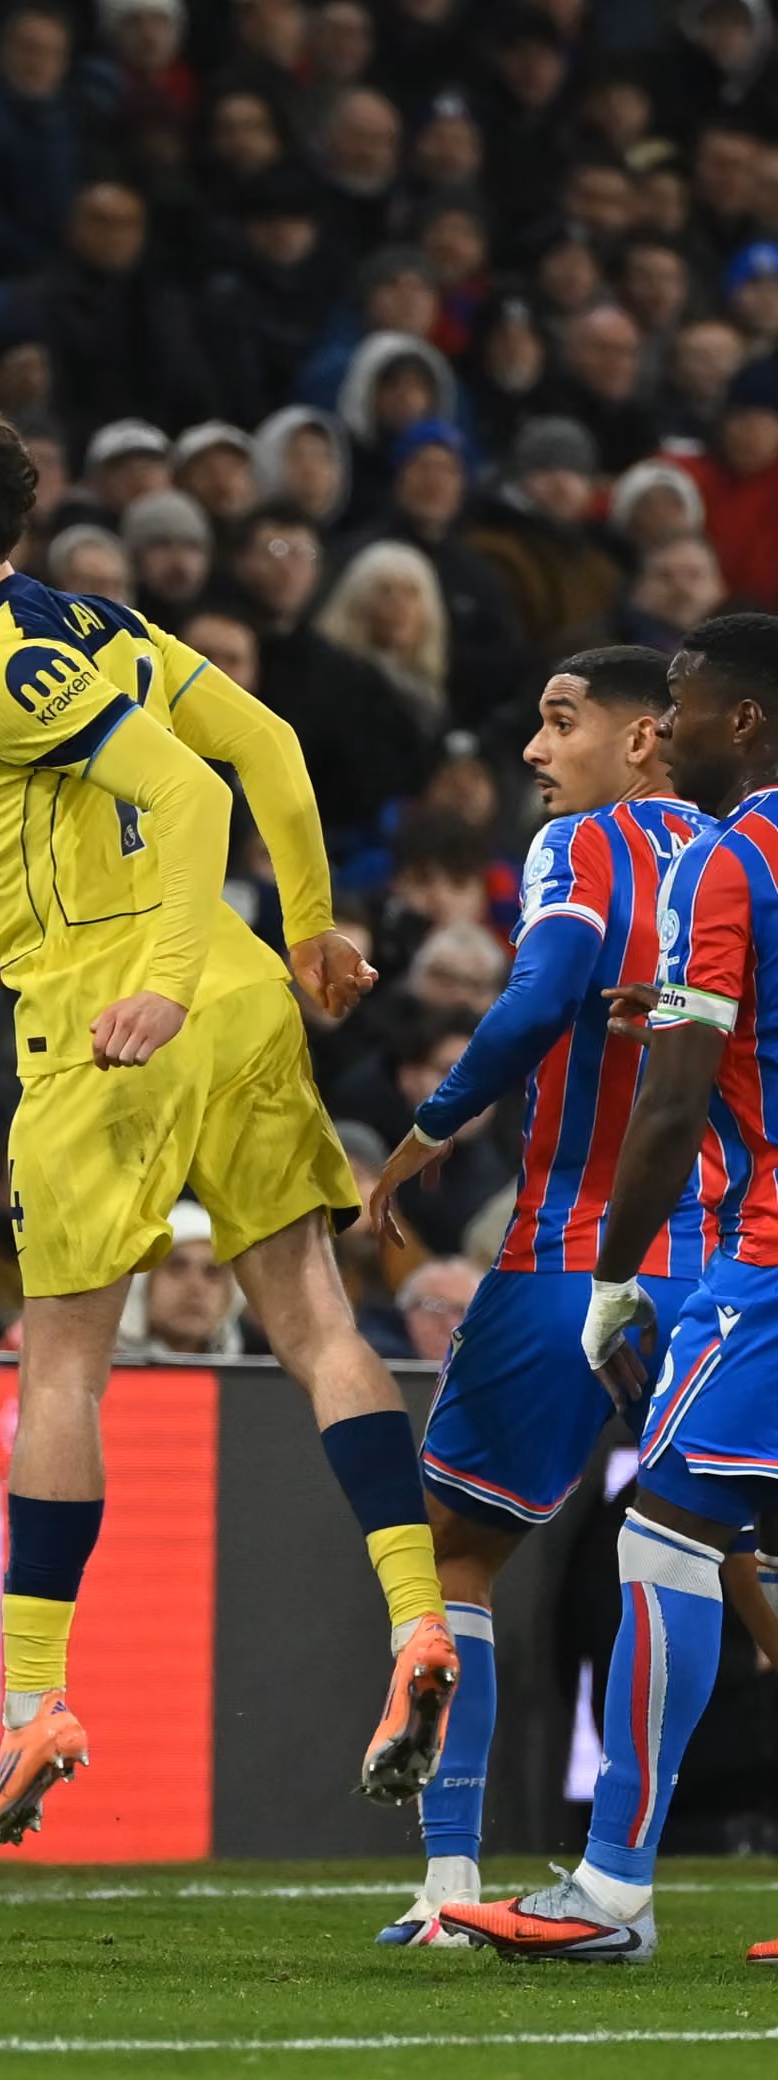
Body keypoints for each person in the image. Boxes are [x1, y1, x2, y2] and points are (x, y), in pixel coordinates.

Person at [0, 393, 456, 1852]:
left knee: (61, 1369)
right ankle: (418, 1621)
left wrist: (167, 983)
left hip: (115, 1025)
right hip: (242, 1004)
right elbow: (274, 748)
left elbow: (184, 792)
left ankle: (37, 1701)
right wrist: (305, 932)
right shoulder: (103, 625)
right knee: (313, 1319)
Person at [363, 646, 713, 1947]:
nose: (532, 750)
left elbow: (543, 996)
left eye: (561, 722)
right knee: (708, 1555)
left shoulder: (593, 846)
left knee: (458, 1553)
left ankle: (452, 1889)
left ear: (642, 742)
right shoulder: (747, 858)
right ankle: (618, 1875)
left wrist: (424, 1135)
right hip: (735, 1257)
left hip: (577, 1249)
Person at [444, 614, 778, 1964]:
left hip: (761, 1247)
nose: (668, 731)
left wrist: (621, 1271)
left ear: (741, 723)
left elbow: (677, 1089)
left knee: (666, 1538)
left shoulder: (734, 860)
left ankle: (612, 1893)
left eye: (686, 707)